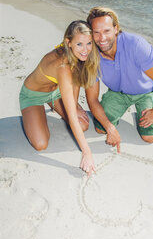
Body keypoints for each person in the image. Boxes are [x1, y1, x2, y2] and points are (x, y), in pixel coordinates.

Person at [19, 20, 100, 176]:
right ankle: (33, 114)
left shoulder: (74, 54)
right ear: (68, 42)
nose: (85, 50)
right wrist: (87, 152)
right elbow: (71, 114)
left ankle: (53, 103)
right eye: (80, 45)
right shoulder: (62, 66)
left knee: (83, 125)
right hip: (33, 96)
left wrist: (75, 105)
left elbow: (74, 81)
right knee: (40, 144)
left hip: (56, 92)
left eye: (89, 43)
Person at [85, 7, 153, 152]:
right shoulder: (90, 56)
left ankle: (147, 108)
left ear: (116, 29)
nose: (102, 38)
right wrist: (110, 128)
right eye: (96, 32)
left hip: (145, 92)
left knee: (150, 137)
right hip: (118, 93)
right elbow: (92, 99)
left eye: (106, 31)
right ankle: (118, 108)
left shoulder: (136, 45)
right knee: (100, 130)